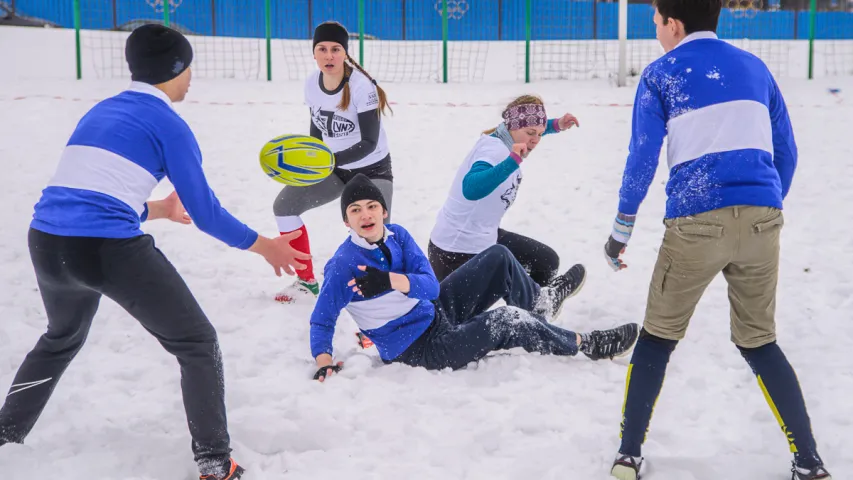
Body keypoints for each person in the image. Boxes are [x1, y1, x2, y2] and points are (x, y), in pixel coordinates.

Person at [0, 24, 310, 480]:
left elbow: (88, 191)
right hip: (106, 249)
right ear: (175, 69)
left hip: (46, 242)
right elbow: (206, 213)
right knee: (198, 344)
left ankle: (6, 433)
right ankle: (214, 463)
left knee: (60, 337)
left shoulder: (101, 111)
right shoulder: (169, 124)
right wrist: (264, 246)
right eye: (188, 70)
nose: (190, 79)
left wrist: (158, 209)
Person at [602, 2, 831, 479]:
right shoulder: (755, 67)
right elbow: (786, 151)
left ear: (675, 24)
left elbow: (642, 158)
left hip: (695, 221)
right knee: (761, 342)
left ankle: (628, 455)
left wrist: (620, 231)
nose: (655, 31)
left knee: (656, 340)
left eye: (656, 22)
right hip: (762, 220)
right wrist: (763, 207)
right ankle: (809, 463)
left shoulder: (661, 73)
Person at [307, 174, 640, 381]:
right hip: (418, 349)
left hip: (434, 311)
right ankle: (588, 344)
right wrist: (324, 360)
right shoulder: (342, 266)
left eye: (371, 206)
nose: (365, 214)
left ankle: (538, 311)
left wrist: (392, 280)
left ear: (383, 211)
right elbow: (322, 319)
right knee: (505, 321)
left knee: (497, 256)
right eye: (355, 210)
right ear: (347, 222)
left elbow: (430, 286)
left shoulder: (398, 235)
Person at [272, 20, 394, 304]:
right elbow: (317, 128)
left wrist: (328, 161)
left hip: (371, 169)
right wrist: (308, 160)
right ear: (314, 53)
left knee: (371, 229)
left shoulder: (362, 88)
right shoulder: (311, 84)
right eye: (322, 49)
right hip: (334, 167)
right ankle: (306, 281)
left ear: (345, 53)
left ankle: (377, 300)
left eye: (336, 49)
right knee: (284, 206)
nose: (329, 55)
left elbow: (369, 143)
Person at [427, 94, 584, 298]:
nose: (535, 140)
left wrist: (556, 125)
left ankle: (534, 315)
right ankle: (531, 311)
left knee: (545, 261)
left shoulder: (506, 136)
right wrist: (512, 161)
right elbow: (471, 188)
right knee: (463, 326)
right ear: (513, 126)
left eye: (540, 133)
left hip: (483, 237)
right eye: (530, 133)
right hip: (457, 252)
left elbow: (530, 130)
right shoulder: (494, 150)